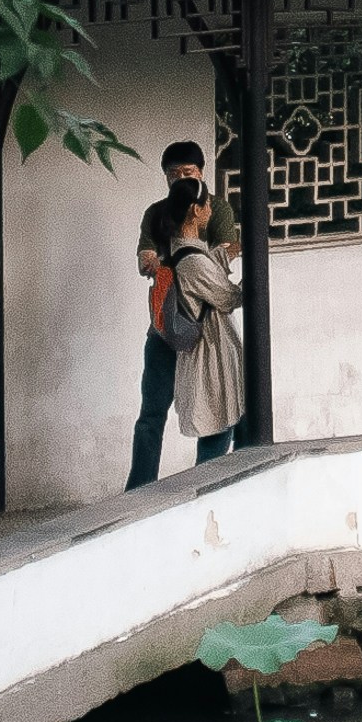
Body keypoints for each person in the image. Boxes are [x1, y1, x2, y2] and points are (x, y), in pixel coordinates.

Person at [126, 141, 240, 488]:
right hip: (165, 327)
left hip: (203, 331)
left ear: (201, 173)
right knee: (153, 413)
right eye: (173, 176)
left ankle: (207, 486)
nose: (179, 181)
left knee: (219, 412)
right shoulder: (157, 212)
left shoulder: (215, 209)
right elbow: (146, 259)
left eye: (186, 174)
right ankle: (141, 490)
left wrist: (175, 264)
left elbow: (229, 249)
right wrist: (184, 263)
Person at [159, 186, 245, 466]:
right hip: (210, 355)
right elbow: (227, 297)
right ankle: (207, 503)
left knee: (222, 427)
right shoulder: (194, 262)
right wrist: (252, 280)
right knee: (217, 434)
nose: (210, 209)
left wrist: (224, 254)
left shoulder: (182, 251)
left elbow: (206, 267)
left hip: (207, 352)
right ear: (196, 210)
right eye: (207, 204)